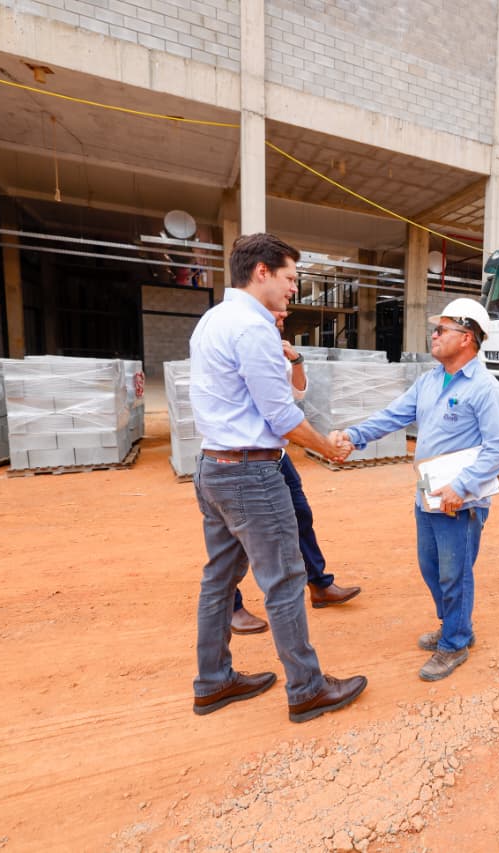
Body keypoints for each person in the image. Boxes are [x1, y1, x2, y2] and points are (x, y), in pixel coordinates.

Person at [189, 232, 366, 722]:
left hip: (214, 466)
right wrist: (328, 447)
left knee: (219, 580)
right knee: (285, 580)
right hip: (250, 473)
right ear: (261, 271)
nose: (294, 288)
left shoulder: (212, 320)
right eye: (289, 278)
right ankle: (307, 689)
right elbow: (282, 416)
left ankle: (213, 682)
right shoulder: (253, 329)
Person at [333, 297, 499, 682]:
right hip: (427, 494)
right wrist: (354, 435)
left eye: (442, 329)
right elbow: (393, 415)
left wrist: (462, 486)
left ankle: (455, 643)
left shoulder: (486, 389)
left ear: (467, 337)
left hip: (459, 502)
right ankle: (456, 625)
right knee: (431, 568)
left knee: (455, 573)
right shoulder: (430, 381)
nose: (434, 335)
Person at [230, 313, 363, 635]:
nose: (278, 323)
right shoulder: (242, 350)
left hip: (274, 452)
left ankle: (319, 585)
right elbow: (284, 418)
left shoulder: (276, 356)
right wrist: (326, 448)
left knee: (300, 515)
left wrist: (296, 360)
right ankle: (229, 606)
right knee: (240, 533)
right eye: (272, 319)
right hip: (241, 456)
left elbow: (298, 395)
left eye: (279, 323)